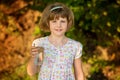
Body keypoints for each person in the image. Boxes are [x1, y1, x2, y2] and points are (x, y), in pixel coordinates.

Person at [27, 2, 85, 80]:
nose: (58, 25)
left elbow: (79, 74)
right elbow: (31, 72)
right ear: (48, 23)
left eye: (62, 21)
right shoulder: (40, 44)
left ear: (68, 23)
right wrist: (34, 56)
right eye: (54, 21)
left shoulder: (75, 46)